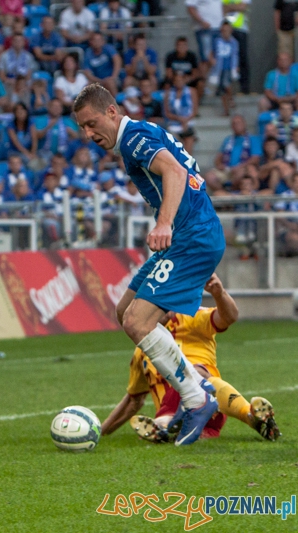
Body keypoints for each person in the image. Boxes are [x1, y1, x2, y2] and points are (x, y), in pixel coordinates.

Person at [73, 83, 227, 446]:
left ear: (112, 112)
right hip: (188, 235)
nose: (88, 134)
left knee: (137, 321)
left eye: (92, 123)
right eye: (82, 128)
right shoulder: (139, 135)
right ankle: (194, 387)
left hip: (191, 237)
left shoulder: (133, 138)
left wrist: (164, 223)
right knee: (125, 311)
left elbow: (173, 172)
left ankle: (196, 398)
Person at [101, 274, 281, 443]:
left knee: (195, 373)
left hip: (210, 405)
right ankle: (172, 428)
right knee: (192, 419)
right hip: (192, 425)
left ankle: (248, 416)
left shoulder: (190, 317)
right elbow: (133, 400)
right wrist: (101, 431)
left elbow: (229, 317)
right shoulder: (141, 352)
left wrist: (220, 294)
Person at [205, 115, 261, 193]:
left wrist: (239, 167)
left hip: (243, 168)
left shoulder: (253, 139)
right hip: (227, 169)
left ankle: (231, 192)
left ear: (244, 124)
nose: (236, 125)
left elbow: (255, 159)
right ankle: (224, 194)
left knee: (240, 173)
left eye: (238, 123)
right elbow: (218, 157)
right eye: (234, 123)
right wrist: (219, 165)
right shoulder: (228, 140)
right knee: (209, 177)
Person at [208, 21, 239, 116]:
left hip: (229, 68)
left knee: (227, 85)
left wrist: (236, 67)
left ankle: (231, 99)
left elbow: (236, 55)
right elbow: (211, 53)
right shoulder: (217, 41)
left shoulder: (234, 42)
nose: (225, 32)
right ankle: (226, 109)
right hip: (219, 69)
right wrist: (212, 60)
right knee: (222, 91)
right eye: (224, 30)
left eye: (227, 30)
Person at [164, 71, 198, 156]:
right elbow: (167, 113)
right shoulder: (168, 93)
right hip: (174, 122)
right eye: (177, 80)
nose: (179, 82)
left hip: (188, 121)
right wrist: (180, 119)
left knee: (189, 139)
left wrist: (185, 120)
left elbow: (195, 111)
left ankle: (188, 163)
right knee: (175, 141)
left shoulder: (192, 91)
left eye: (181, 80)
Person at [185, 0, 223, 77]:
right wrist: (201, 22)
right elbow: (190, 7)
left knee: (217, 59)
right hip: (205, 29)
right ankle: (203, 86)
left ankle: (214, 84)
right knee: (206, 59)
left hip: (218, 28)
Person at [222, 0, 250, 94]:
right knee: (224, 59)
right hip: (224, 31)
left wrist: (229, 7)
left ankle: (244, 89)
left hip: (240, 29)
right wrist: (236, 6)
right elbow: (220, 8)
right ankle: (223, 88)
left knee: (242, 58)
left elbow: (243, 7)